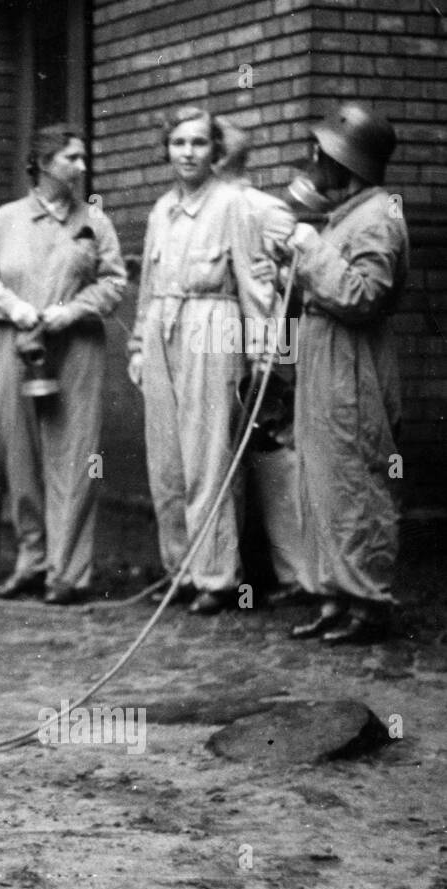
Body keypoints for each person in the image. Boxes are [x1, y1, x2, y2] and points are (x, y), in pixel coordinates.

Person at [0, 125, 127, 604]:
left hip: (74, 347)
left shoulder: (94, 221)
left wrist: (71, 310)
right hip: (11, 343)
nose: (81, 166)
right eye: (71, 158)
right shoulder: (3, 220)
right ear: (42, 163)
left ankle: (68, 573)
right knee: (19, 455)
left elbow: (114, 282)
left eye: (82, 158)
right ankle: (31, 561)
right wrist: (13, 307)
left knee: (74, 457)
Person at [127, 107, 277, 614]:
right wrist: (137, 347)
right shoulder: (160, 209)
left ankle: (216, 576)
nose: (188, 153)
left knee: (208, 455)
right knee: (166, 460)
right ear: (165, 149)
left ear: (215, 151)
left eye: (198, 143)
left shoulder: (232, 204)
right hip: (162, 329)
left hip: (214, 324)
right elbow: (147, 288)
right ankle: (180, 572)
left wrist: (263, 356)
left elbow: (257, 286)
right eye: (178, 143)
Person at [269, 103, 408, 644]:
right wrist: (295, 263)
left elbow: (366, 294)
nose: (310, 164)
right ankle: (332, 596)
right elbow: (327, 283)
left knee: (355, 479)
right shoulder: (344, 213)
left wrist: (311, 252)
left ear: (343, 159)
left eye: (318, 154)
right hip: (324, 356)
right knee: (319, 480)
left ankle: (369, 604)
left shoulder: (380, 215)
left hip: (355, 361)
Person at [216, 122, 308, 608]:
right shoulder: (205, 210)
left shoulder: (264, 209)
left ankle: (298, 573)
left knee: (274, 454)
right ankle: (254, 569)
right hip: (218, 348)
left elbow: (295, 280)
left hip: (266, 348)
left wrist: (275, 351)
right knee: (234, 456)